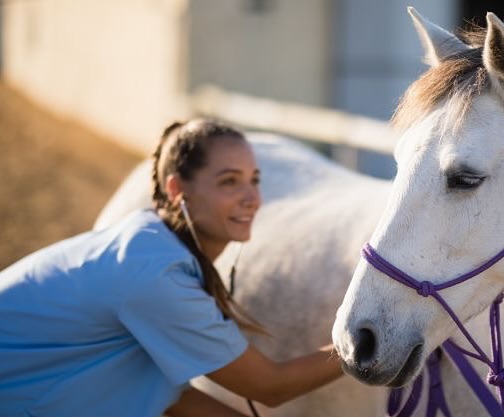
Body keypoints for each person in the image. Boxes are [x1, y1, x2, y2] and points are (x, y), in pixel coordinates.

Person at [0, 119, 343, 417]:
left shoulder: (150, 246)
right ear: (177, 190)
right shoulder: (154, 276)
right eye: (229, 181)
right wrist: (360, 343)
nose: (251, 197)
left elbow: (172, 397)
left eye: (254, 179)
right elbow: (270, 386)